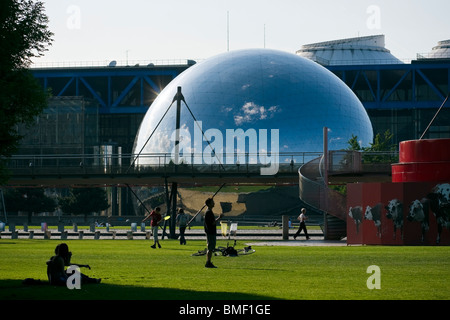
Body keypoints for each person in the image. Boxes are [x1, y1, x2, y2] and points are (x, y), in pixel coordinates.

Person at [204, 198, 223, 268]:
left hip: (210, 231)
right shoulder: (209, 212)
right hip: (210, 232)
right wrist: (219, 218)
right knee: (210, 248)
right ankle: (208, 262)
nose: (214, 203)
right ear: (209, 204)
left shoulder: (209, 211)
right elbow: (212, 223)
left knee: (211, 247)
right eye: (212, 202)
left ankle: (208, 262)